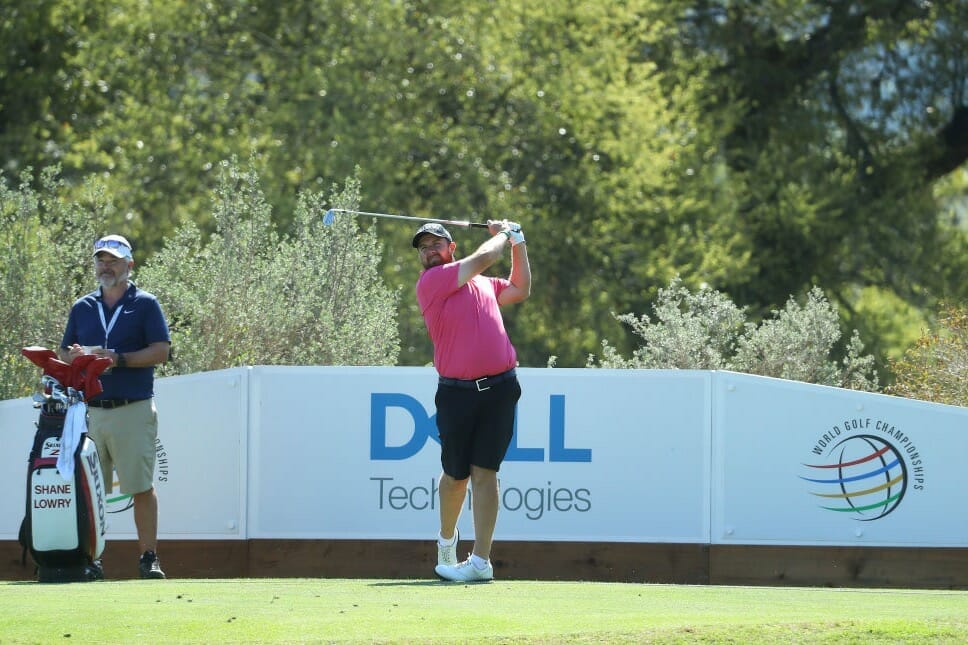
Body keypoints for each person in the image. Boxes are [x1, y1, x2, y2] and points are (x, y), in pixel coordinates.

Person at [412, 218, 531, 582]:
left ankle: (480, 562)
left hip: (500, 388)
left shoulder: (481, 284)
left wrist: (519, 243)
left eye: (436, 244)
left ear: (451, 248)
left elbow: (520, 289)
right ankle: (447, 540)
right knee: (455, 476)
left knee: (486, 472)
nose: (429, 251)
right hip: (456, 393)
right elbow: (483, 258)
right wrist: (505, 235)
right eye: (423, 248)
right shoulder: (432, 282)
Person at [57, 234, 171, 580]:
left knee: (140, 486)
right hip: (90, 410)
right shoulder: (83, 307)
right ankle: (91, 559)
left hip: (132, 407)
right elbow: (63, 352)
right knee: (90, 491)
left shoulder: (145, 304)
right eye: (101, 261)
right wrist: (77, 357)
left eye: (113, 261)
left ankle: (148, 558)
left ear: (129, 265)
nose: (106, 267)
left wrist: (117, 359)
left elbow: (161, 351)